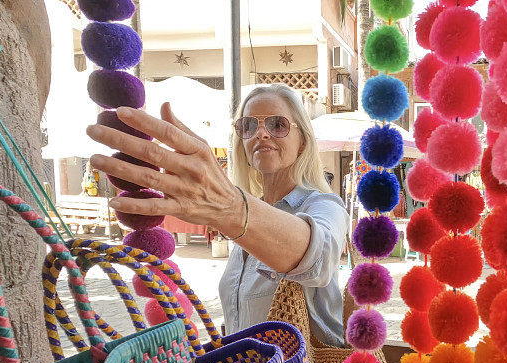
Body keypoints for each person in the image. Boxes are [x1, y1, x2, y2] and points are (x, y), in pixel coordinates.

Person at [86, 84, 348, 347]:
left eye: (277, 125)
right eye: (248, 126)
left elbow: (319, 258)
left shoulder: (326, 206)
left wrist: (228, 207)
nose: (261, 134)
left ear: (302, 141)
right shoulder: (244, 217)